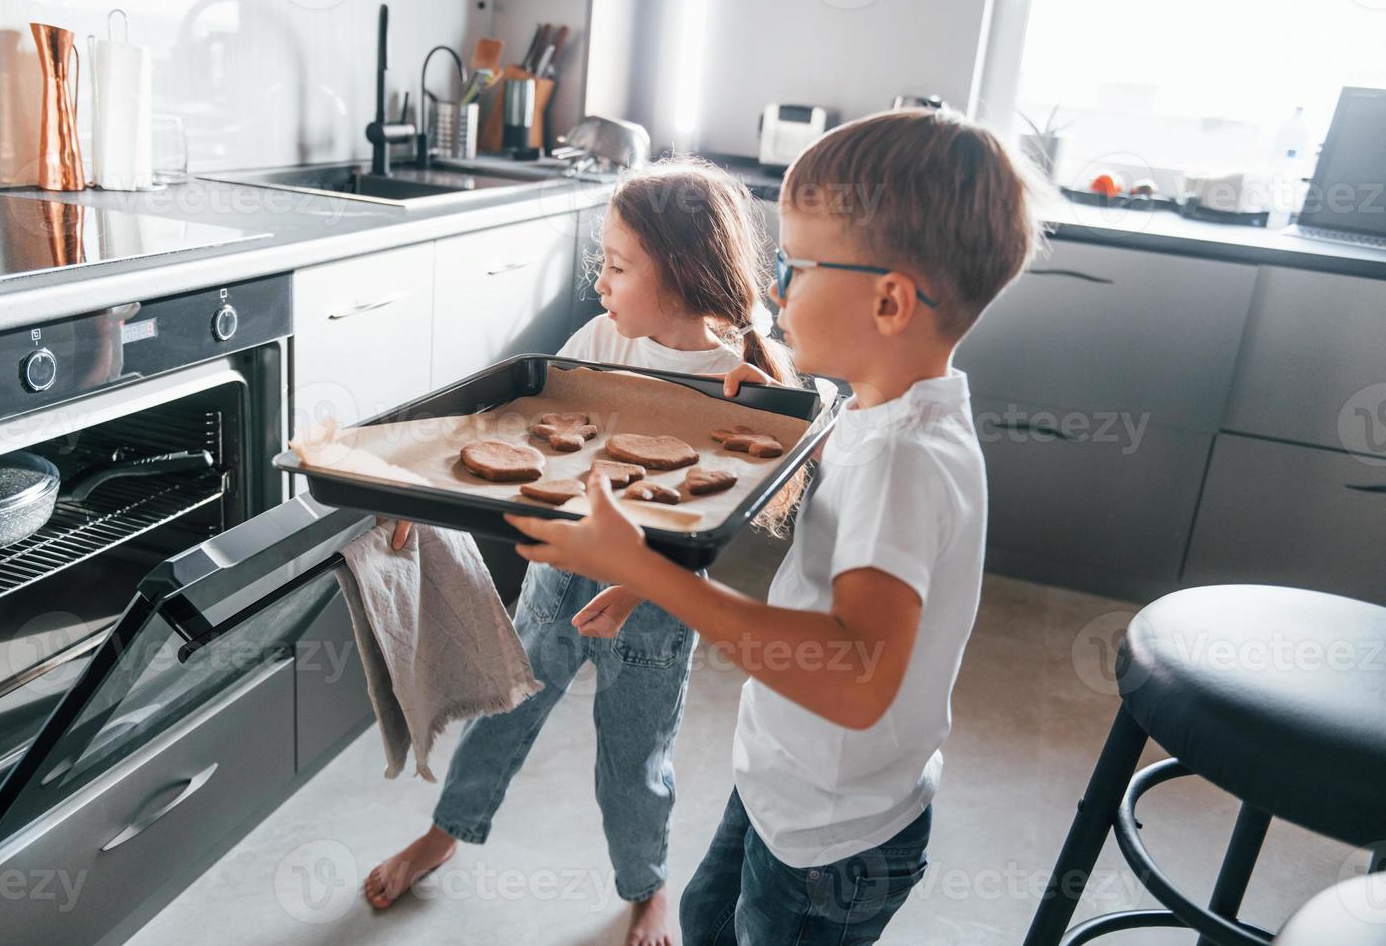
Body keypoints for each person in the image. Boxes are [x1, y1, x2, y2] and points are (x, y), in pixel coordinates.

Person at [504, 108, 1049, 944]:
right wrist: (778, 411)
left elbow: (859, 675)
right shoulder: (884, 406)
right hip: (788, 783)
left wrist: (658, 578)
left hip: (834, 840)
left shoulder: (905, 459)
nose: (776, 291)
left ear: (891, 300)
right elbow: (837, 496)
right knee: (706, 916)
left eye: (797, 267)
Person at [364, 157, 795, 946]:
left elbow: (716, 522)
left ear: (684, 274)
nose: (601, 281)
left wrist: (637, 583)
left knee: (634, 762)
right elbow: (519, 439)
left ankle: (647, 887)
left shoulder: (737, 381)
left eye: (620, 266)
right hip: (556, 582)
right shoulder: (602, 338)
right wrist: (420, 503)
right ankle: (446, 832)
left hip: (654, 612)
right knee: (502, 714)